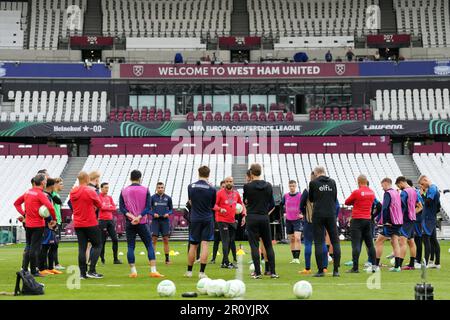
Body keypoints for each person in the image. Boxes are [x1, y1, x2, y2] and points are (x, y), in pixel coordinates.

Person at [120, 170, 164, 278]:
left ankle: (133, 272)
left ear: (130, 178)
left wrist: (132, 217)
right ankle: (153, 271)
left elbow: (122, 208)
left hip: (130, 222)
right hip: (142, 222)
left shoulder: (124, 190)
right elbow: (148, 207)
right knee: (149, 245)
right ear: (140, 178)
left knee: (130, 246)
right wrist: (138, 217)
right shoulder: (145, 190)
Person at [14, 173, 57, 277]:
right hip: (38, 225)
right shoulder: (40, 194)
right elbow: (50, 207)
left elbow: (16, 203)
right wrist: (54, 219)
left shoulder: (28, 192)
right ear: (42, 182)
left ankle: (24, 269)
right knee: (35, 248)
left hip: (28, 224)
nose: (46, 182)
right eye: (45, 180)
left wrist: (24, 214)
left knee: (28, 246)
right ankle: (33, 271)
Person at [243, 163, 278, 279]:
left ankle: (257, 273)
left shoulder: (247, 186)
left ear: (251, 173)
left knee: (254, 245)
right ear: (260, 172)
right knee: (268, 245)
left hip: (252, 217)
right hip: (264, 217)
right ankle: (273, 272)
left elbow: (246, 201)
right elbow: (270, 202)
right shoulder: (268, 185)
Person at [308, 166, 341, 277]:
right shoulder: (332, 182)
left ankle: (321, 270)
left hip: (318, 215)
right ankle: (336, 270)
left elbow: (311, 199)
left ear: (316, 173)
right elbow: (334, 197)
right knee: (335, 242)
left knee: (319, 242)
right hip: (331, 214)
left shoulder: (313, 183)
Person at [70, 171, 104, 279]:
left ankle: (82, 273)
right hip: (90, 222)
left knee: (82, 248)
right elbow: (100, 205)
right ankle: (92, 270)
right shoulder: (90, 191)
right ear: (87, 179)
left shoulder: (73, 191)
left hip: (78, 223)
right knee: (97, 245)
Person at [184, 166, 217, 279]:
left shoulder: (191, 186)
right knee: (205, 245)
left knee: (193, 245)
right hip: (207, 218)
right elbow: (212, 205)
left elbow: (190, 201)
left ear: (198, 173)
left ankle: (189, 272)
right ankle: (202, 273)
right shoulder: (212, 189)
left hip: (195, 218)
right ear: (209, 174)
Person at [344, 175, 376, 273]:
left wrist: (355, 202)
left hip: (357, 220)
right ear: (366, 181)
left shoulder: (357, 192)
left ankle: (355, 268)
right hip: (367, 219)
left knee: (356, 244)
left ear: (358, 182)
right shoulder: (372, 192)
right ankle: (374, 267)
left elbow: (347, 202)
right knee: (370, 244)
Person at [298, 172, 328, 275]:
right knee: (322, 243)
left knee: (308, 243)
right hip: (322, 220)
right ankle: (324, 267)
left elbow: (301, 205)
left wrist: (305, 214)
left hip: (309, 221)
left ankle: (307, 268)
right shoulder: (325, 189)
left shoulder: (307, 190)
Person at [214, 176, 246, 269]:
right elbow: (213, 205)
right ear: (225, 182)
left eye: (230, 181)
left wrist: (243, 215)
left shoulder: (236, 194)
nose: (228, 183)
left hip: (232, 220)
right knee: (225, 240)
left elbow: (241, 204)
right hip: (222, 220)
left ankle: (224, 262)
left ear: (233, 183)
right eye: (227, 181)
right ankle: (227, 262)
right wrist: (220, 209)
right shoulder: (219, 193)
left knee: (231, 241)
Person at [374, 178, 403, 272]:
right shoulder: (396, 192)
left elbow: (385, 208)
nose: (382, 188)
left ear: (386, 183)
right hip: (398, 221)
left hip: (390, 222)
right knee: (395, 242)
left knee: (379, 241)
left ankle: (376, 266)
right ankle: (397, 267)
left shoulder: (388, 193)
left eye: (382, 185)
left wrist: (385, 221)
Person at [395, 176, 422, 270]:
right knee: (411, 242)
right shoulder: (414, 191)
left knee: (402, 242)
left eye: (398, 185)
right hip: (412, 219)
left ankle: (398, 265)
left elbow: (399, 207)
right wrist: (412, 213)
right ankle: (411, 265)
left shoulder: (404, 192)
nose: (399, 187)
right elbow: (420, 206)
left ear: (401, 182)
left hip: (405, 220)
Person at [39, 178, 63, 275]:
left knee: (54, 245)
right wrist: (49, 221)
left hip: (51, 223)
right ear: (52, 186)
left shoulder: (50, 195)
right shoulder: (45, 196)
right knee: (45, 246)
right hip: (47, 225)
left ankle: (50, 267)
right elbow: (45, 211)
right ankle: (42, 268)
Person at [418, 175, 441, 268]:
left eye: (422, 184)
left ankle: (425, 263)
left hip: (428, 219)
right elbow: (438, 206)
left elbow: (428, 202)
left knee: (426, 240)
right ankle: (437, 263)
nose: (423, 187)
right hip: (431, 217)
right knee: (433, 240)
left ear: (425, 180)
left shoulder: (432, 188)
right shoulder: (434, 188)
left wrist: (422, 194)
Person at [98, 182, 122, 265]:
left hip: (110, 220)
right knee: (103, 241)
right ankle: (102, 259)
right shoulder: (98, 197)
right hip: (102, 221)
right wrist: (109, 207)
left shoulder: (109, 197)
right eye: (105, 187)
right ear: (101, 188)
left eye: (107, 188)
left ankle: (115, 259)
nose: (107, 189)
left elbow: (114, 208)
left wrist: (107, 208)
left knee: (115, 239)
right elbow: (101, 207)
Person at [150, 182, 173, 265]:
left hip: (165, 221)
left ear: (164, 188)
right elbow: (148, 209)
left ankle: (167, 259)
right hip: (155, 221)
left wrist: (168, 213)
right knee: (154, 240)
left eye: (162, 187)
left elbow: (171, 209)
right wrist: (153, 214)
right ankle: (152, 259)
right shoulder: (152, 198)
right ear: (156, 188)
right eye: (159, 187)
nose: (160, 189)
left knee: (166, 240)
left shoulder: (168, 198)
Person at [280, 180, 303, 264]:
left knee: (297, 238)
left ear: (296, 186)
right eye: (290, 186)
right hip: (288, 220)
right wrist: (284, 213)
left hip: (297, 220)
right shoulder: (286, 196)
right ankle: (294, 258)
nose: (292, 187)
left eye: (293, 186)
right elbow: (281, 205)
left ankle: (297, 258)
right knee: (292, 239)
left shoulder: (300, 195)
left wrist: (302, 214)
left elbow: (305, 205)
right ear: (288, 186)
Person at [210, 181, 225, 264]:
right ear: (220, 187)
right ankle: (213, 258)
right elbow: (213, 206)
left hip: (226, 221)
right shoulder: (217, 196)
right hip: (217, 220)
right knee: (216, 240)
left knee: (225, 241)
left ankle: (225, 259)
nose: (223, 188)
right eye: (222, 186)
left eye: (224, 186)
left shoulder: (228, 196)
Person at [52, 178, 65, 271]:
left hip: (58, 221)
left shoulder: (57, 195)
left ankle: (55, 263)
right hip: (54, 222)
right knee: (53, 244)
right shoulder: (52, 195)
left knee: (56, 244)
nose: (62, 185)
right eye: (60, 184)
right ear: (55, 184)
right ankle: (54, 264)